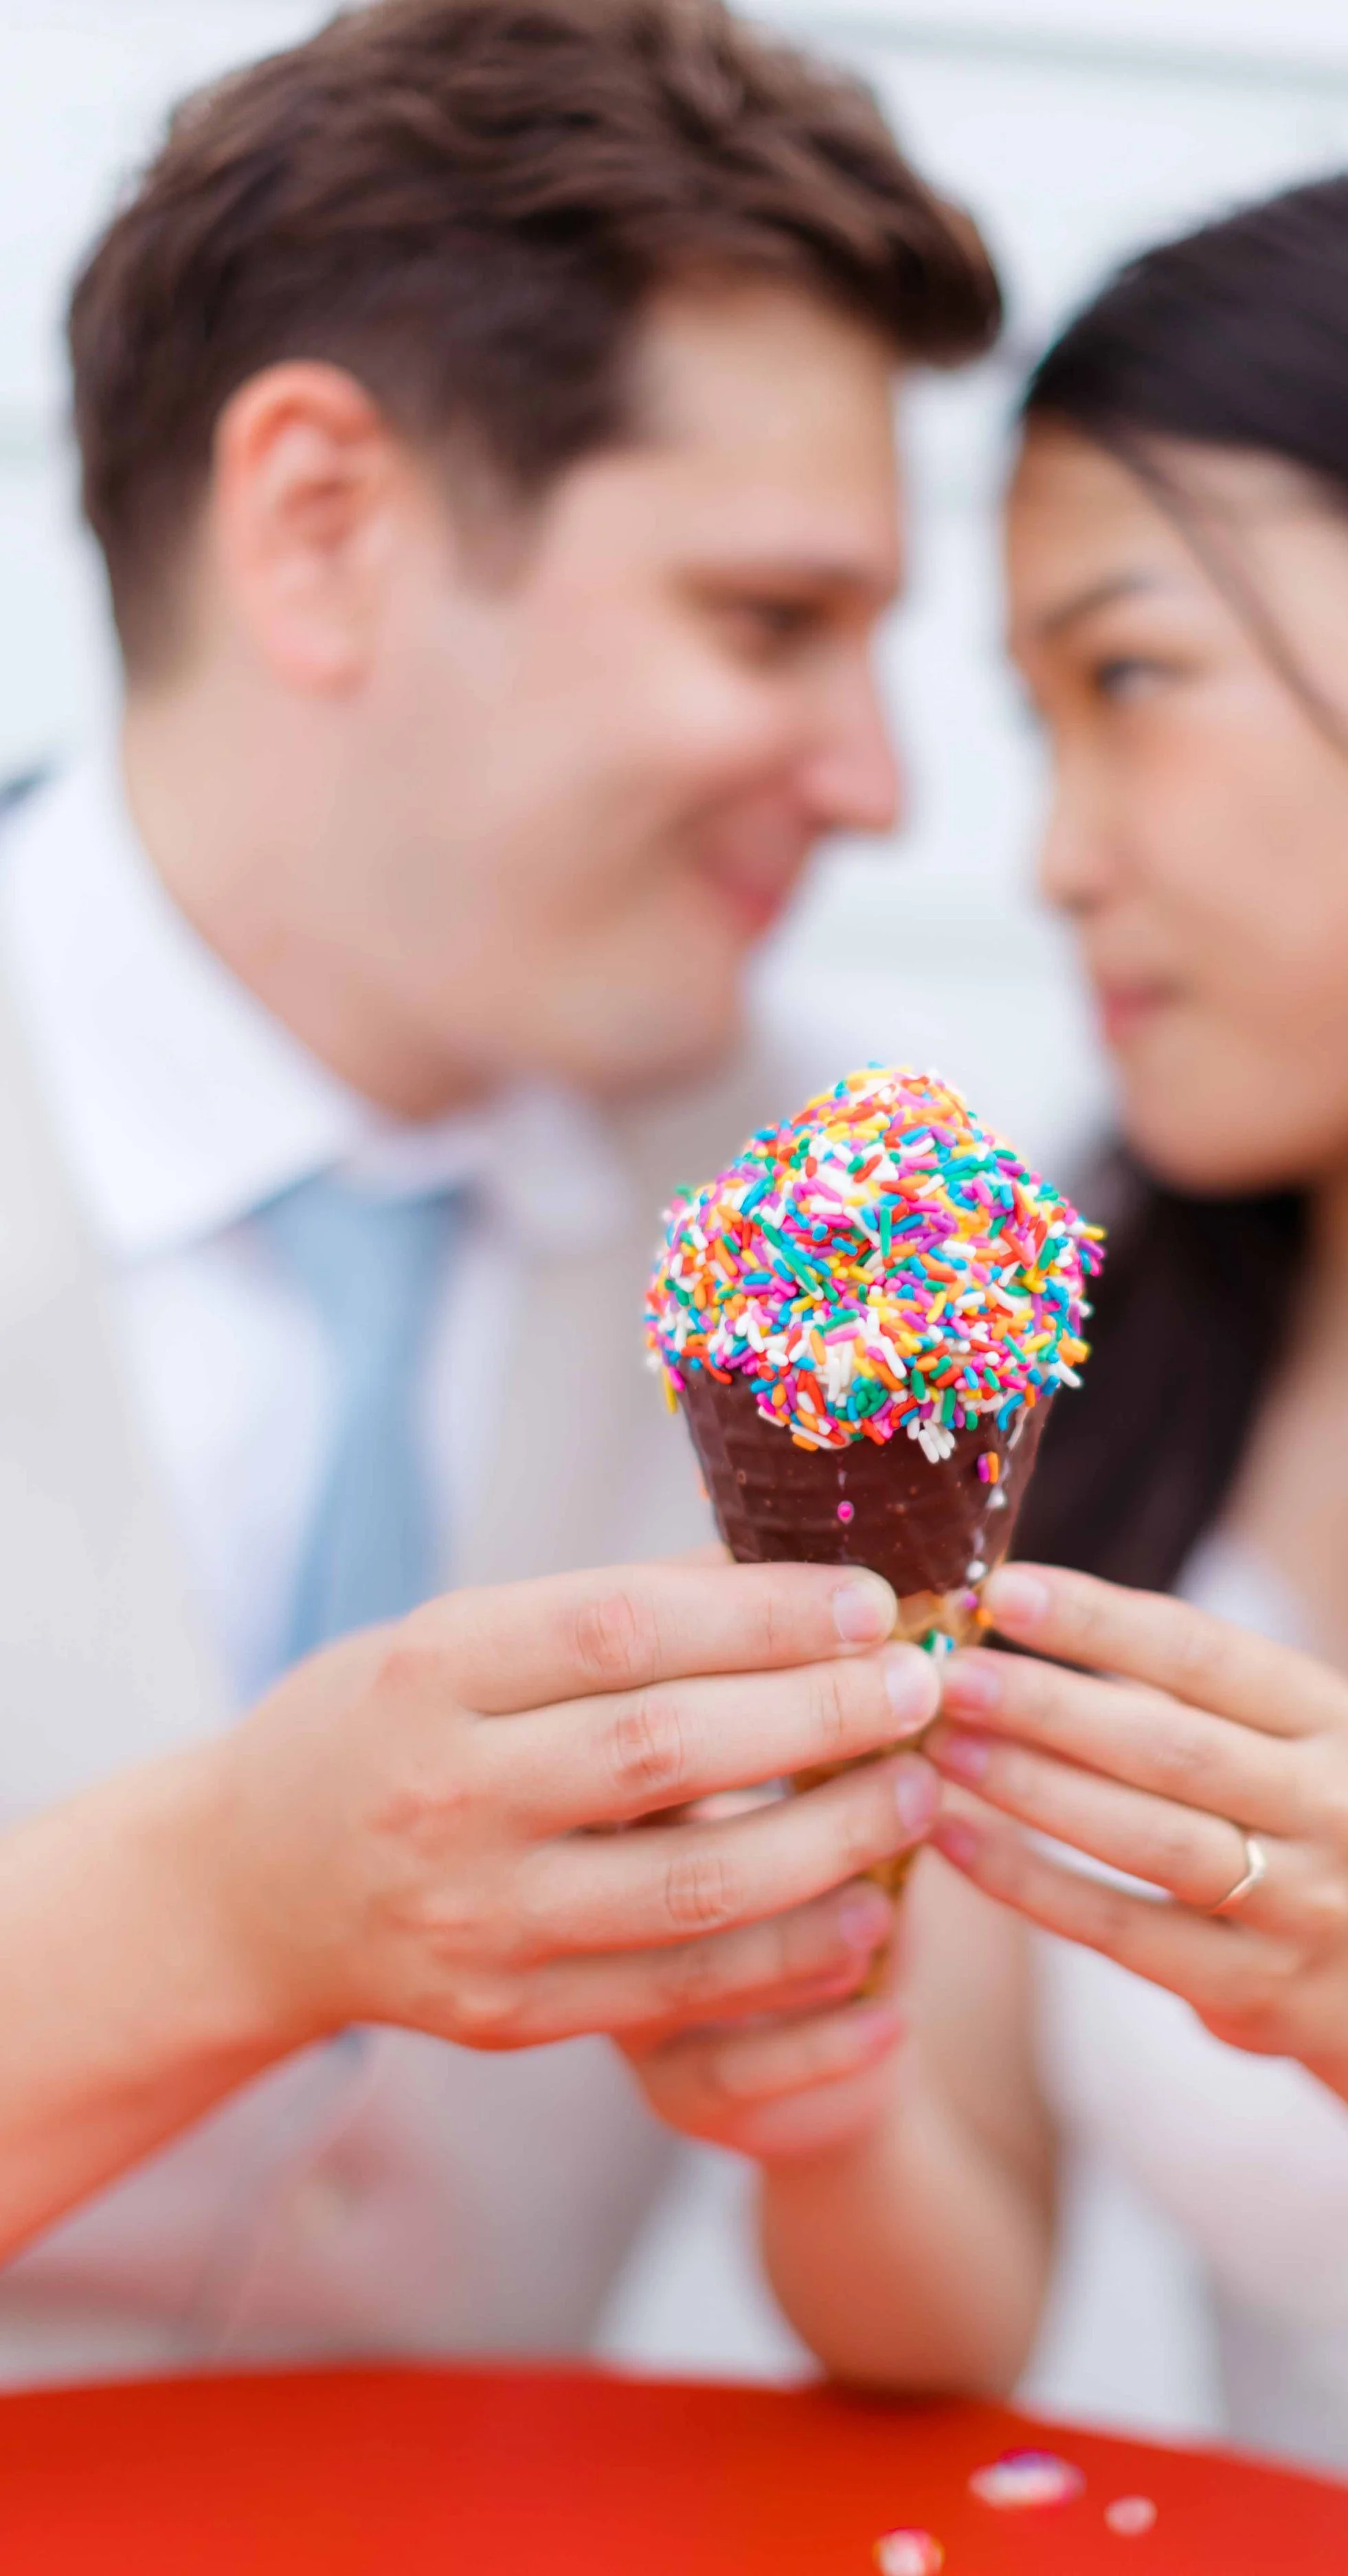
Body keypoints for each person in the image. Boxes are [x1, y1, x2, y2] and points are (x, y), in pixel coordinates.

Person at [628, 153, 1348, 2573]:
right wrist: (807, 2085)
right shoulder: (1076, 1345)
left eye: (1129, 679)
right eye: (1038, 726)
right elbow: (961, 2298)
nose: (1054, 857)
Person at [0, 0, 998, 2377]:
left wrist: (831, 2072)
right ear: (321, 526)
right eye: (769, 621)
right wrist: (227, 1906)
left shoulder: (859, 1232)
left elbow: (944, 2275)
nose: (877, 783)